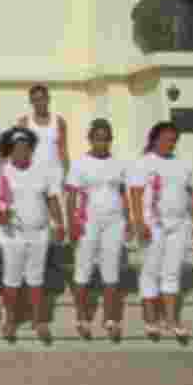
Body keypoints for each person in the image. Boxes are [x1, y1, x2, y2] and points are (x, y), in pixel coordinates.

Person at [0, 127, 66, 344]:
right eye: (17, 148)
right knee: (11, 281)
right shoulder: (1, 171)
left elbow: (51, 199)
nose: (22, 152)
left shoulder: (42, 170)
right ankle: (10, 321)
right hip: (13, 235)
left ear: (31, 149)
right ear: (11, 150)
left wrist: (59, 224)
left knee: (36, 280)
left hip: (39, 234)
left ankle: (39, 322)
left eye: (26, 148)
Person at [129, 122, 193, 344]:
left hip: (179, 225)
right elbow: (135, 194)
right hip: (154, 225)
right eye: (166, 139)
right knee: (150, 272)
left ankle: (171, 320)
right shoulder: (143, 163)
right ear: (154, 139)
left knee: (171, 273)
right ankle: (151, 320)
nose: (170, 143)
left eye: (173, 140)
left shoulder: (183, 165)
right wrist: (139, 222)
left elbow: (191, 194)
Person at [66, 119, 132, 342]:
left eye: (106, 139)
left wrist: (129, 220)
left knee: (111, 269)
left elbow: (123, 193)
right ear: (90, 139)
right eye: (98, 138)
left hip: (114, 222)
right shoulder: (80, 164)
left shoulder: (119, 164)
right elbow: (71, 195)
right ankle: (82, 318)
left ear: (110, 140)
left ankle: (110, 319)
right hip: (88, 221)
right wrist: (71, 223)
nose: (102, 143)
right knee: (83, 268)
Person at [17, 84, 69, 177]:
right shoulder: (24, 123)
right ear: (31, 102)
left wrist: (66, 175)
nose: (39, 103)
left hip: (55, 175)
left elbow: (63, 151)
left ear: (48, 99)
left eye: (42, 99)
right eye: (35, 100)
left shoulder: (59, 122)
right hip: (32, 175)